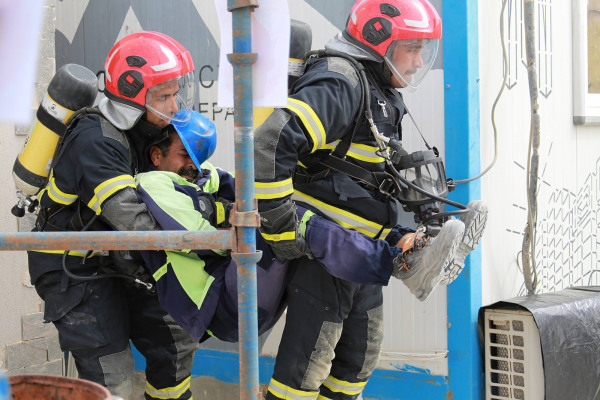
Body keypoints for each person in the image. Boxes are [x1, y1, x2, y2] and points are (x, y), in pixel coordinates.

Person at [253, 1, 488, 399]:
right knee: (306, 366)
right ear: (379, 39)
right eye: (412, 48)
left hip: (360, 252)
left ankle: (416, 253)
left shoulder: (377, 87)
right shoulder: (340, 82)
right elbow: (271, 141)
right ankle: (413, 265)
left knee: (358, 359)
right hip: (324, 253)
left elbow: (369, 166)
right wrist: (280, 223)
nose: (418, 62)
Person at [136, 110, 457, 344]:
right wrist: (232, 214)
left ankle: (410, 244)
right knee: (280, 216)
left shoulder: (201, 175)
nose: (192, 166)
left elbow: (250, 190)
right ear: (156, 155)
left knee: (300, 202)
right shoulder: (153, 181)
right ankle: (396, 263)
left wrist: (231, 209)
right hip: (220, 303)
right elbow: (205, 239)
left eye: (197, 158)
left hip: (244, 286)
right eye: (184, 155)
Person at [27, 31, 199, 400]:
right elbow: (135, 222)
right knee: (113, 374)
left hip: (116, 258)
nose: (174, 106)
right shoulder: (98, 140)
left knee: (175, 339)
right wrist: (198, 236)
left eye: (175, 93)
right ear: (132, 93)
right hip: (72, 267)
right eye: (163, 96)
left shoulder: (143, 130)